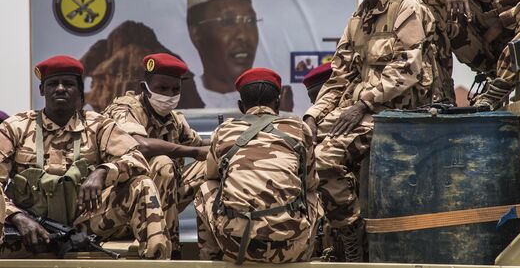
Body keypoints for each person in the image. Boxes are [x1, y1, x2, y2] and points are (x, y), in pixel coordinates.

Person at [303, 0, 454, 262]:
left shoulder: (407, 7)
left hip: (405, 116)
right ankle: (327, 238)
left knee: (327, 158)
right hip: (368, 114)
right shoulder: (357, 21)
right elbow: (339, 76)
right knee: (302, 149)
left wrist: (361, 104)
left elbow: (409, 68)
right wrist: (313, 117)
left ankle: (353, 236)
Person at [0, 55, 170, 259]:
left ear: (80, 91)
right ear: (42, 90)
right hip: (31, 229)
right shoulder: (15, 127)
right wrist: (16, 216)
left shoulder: (98, 125)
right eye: (53, 83)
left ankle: (157, 260)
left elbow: (137, 159)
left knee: (142, 185)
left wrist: (103, 172)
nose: (61, 88)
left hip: (86, 225)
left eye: (68, 84)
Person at [194, 68, 321, 263]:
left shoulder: (224, 131)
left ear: (240, 106)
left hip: (237, 248)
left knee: (205, 188)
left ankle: (210, 259)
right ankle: (306, 258)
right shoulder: (299, 128)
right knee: (313, 195)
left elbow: (211, 175)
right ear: (278, 104)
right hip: (290, 248)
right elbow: (310, 183)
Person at [103, 53, 209, 258]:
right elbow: (139, 144)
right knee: (162, 163)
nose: (169, 95)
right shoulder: (124, 108)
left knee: (212, 163)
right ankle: (168, 252)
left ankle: (214, 246)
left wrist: (231, 139)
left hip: (163, 202)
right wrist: (194, 152)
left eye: (175, 89)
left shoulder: (174, 119)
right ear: (145, 87)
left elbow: (199, 143)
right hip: (126, 204)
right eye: (162, 88)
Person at [186, 0, 294, 110]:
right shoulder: (183, 98)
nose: (243, 36)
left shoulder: (272, 100)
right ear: (197, 34)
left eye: (250, 21)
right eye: (228, 22)